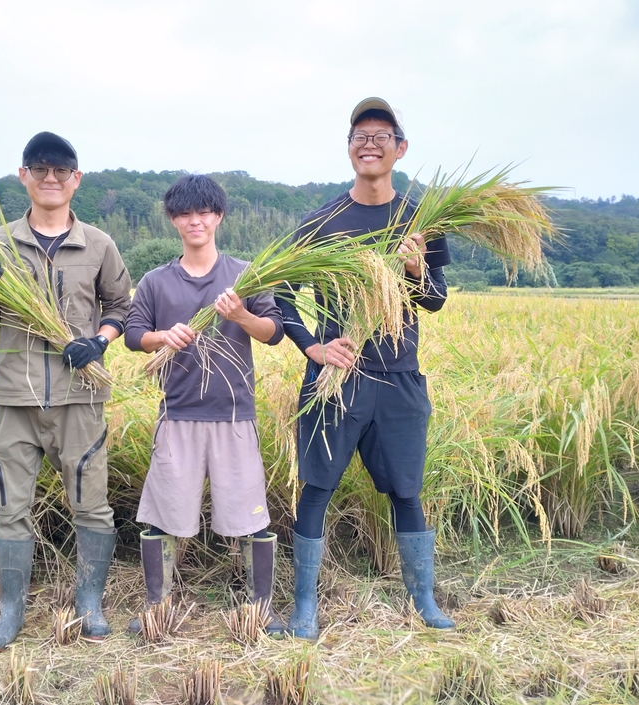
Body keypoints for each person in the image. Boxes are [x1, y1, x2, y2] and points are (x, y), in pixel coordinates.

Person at [274, 98, 454, 638]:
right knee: (316, 488)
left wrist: (418, 269)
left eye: (381, 134)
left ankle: (423, 600)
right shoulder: (321, 221)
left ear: (401, 148)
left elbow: (436, 300)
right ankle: (304, 608)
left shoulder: (423, 221)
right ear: (349, 148)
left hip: (399, 376)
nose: (369, 142)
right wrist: (311, 347)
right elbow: (281, 294)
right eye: (359, 134)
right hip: (337, 378)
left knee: (406, 490)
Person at [0, 131, 132, 651]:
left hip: (79, 397)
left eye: (61, 170)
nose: (50, 178)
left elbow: (121, 308)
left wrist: (99, 343)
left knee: (92, 505)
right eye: (39, 169)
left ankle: (90, 601)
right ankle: (12, 609)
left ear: (76, 179)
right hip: (13, 398)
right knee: (8, 508)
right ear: (24, 177)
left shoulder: (99, 244)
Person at [124, 174, 286, 636]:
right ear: (174, 220)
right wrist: (164, 337)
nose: (195, 221)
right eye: (184, 214)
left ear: (218, 216)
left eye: (204, 212)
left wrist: (240, 315)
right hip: (178, 414)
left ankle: (261, 609)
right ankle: (158, 607)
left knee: (249, 513)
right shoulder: (156, 281)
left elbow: (273, 332)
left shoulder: (246, 274)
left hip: (234, 414)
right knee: (164, 512)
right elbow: (136, 334)